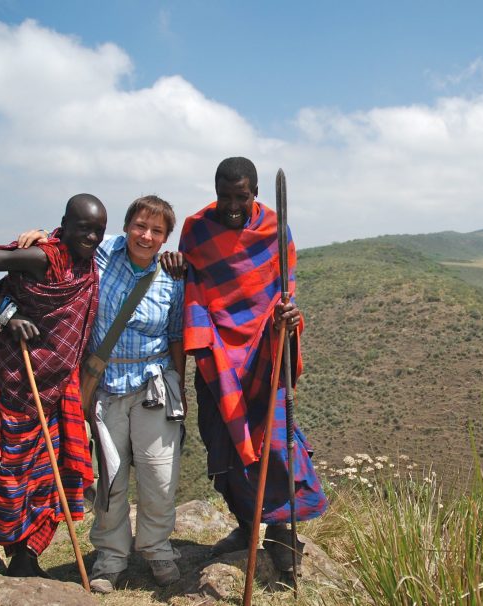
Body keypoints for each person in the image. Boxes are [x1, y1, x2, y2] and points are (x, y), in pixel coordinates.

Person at [20, 195, 186, 594]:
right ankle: (111, 556)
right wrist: (45, 237)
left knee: (159, 473)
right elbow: (67, 247)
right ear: (127, 225)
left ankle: (157, 549)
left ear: (166, 238)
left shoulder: (172, 277)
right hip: (106, 385)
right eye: (140, 226)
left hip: (154, 385)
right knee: (110, 476)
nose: (146, 236)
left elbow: (177, 334)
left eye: (156, 231)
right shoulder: (102, 253)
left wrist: (181, 387)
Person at [179, 157, 327, 578]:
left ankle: (281, 533)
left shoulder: (274, 230)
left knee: (274, 443)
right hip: (217, 357)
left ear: (255, 192)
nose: (231, 204)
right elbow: (192, 282)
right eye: (224, 195)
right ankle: (246, 529)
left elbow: (283, 290)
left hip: (264, 352)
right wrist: (175, 268)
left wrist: (285, 321)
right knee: (223, 443)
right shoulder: (196, 229)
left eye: (240, 196)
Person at [0, 194, 106, 578]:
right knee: (11, 472)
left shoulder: (88, 264)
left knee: (53, 476)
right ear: (64, 225)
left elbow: (139, 244)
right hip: (21, 380)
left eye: (98, 230)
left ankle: (28, 556)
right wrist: (6, 311)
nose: (91, 237)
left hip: (60, 386)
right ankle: (10, 546)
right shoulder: (42, 257)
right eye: (83, 228)